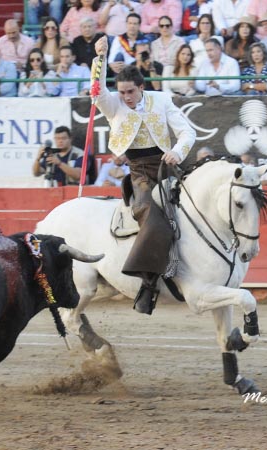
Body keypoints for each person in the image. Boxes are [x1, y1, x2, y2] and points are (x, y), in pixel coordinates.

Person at [92, 35, 196, 315]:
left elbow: (188, 131)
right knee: (149, 213)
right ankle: (149, 283)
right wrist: (99, 60)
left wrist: (177, 151)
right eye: (121, 92)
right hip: (140, 173)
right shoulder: (113, 104)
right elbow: (97, 92)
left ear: (141, 87)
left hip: (168, 167)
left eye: (130, 92)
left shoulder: (161, 100)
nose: (125, 98)